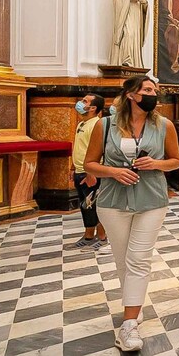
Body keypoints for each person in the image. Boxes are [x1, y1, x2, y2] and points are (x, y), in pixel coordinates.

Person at [84, 76, 179, 352]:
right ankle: (133, 305)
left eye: (155, 90)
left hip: (152, 199)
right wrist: (114, 171)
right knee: (122, 258)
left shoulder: (164, 125)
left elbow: (176, 160)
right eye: (148, 90)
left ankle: (128, 326)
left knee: (139, 259)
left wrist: (155, 163)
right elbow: (89, 163)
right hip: (112, 202)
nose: (153, 94)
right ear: (131, 95)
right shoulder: (105, 125)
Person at [71, 93, 108, 251]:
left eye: (84, 101)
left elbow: (99, 151)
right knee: (85, 205)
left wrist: (92, 172)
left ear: (93, 108)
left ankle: (102, 237)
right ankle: (88, 235)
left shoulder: (96, 125)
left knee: (95, 205)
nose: (80, 103)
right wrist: (73, 168)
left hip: (91, 173)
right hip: (80, 170)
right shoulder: (82, 124)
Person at [109, 0, 148, 68]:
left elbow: (144, 7)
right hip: (126, 16)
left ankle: (134, 63)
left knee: (135, 37)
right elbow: (116, 1)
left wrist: (144, 3)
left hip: (136, 17)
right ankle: (126, 60)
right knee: (128, 35)